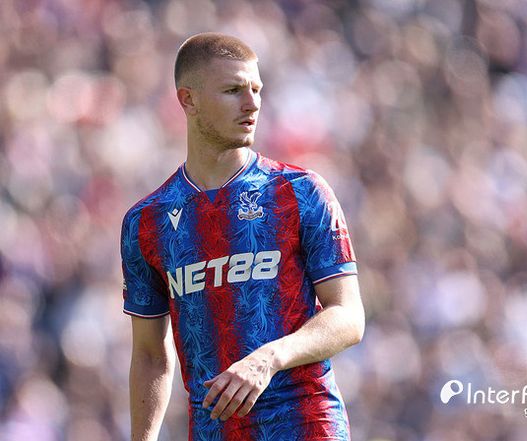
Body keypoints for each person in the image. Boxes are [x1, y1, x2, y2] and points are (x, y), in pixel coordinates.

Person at [120, 32, 365, 441]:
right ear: (188, 100)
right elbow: (149, 355)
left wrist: (269, 358)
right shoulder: (147, 221)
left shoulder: (299, 192)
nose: (252, 104)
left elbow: (349, 317)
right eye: (233, 90)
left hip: (306, 424)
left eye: (256, 89)